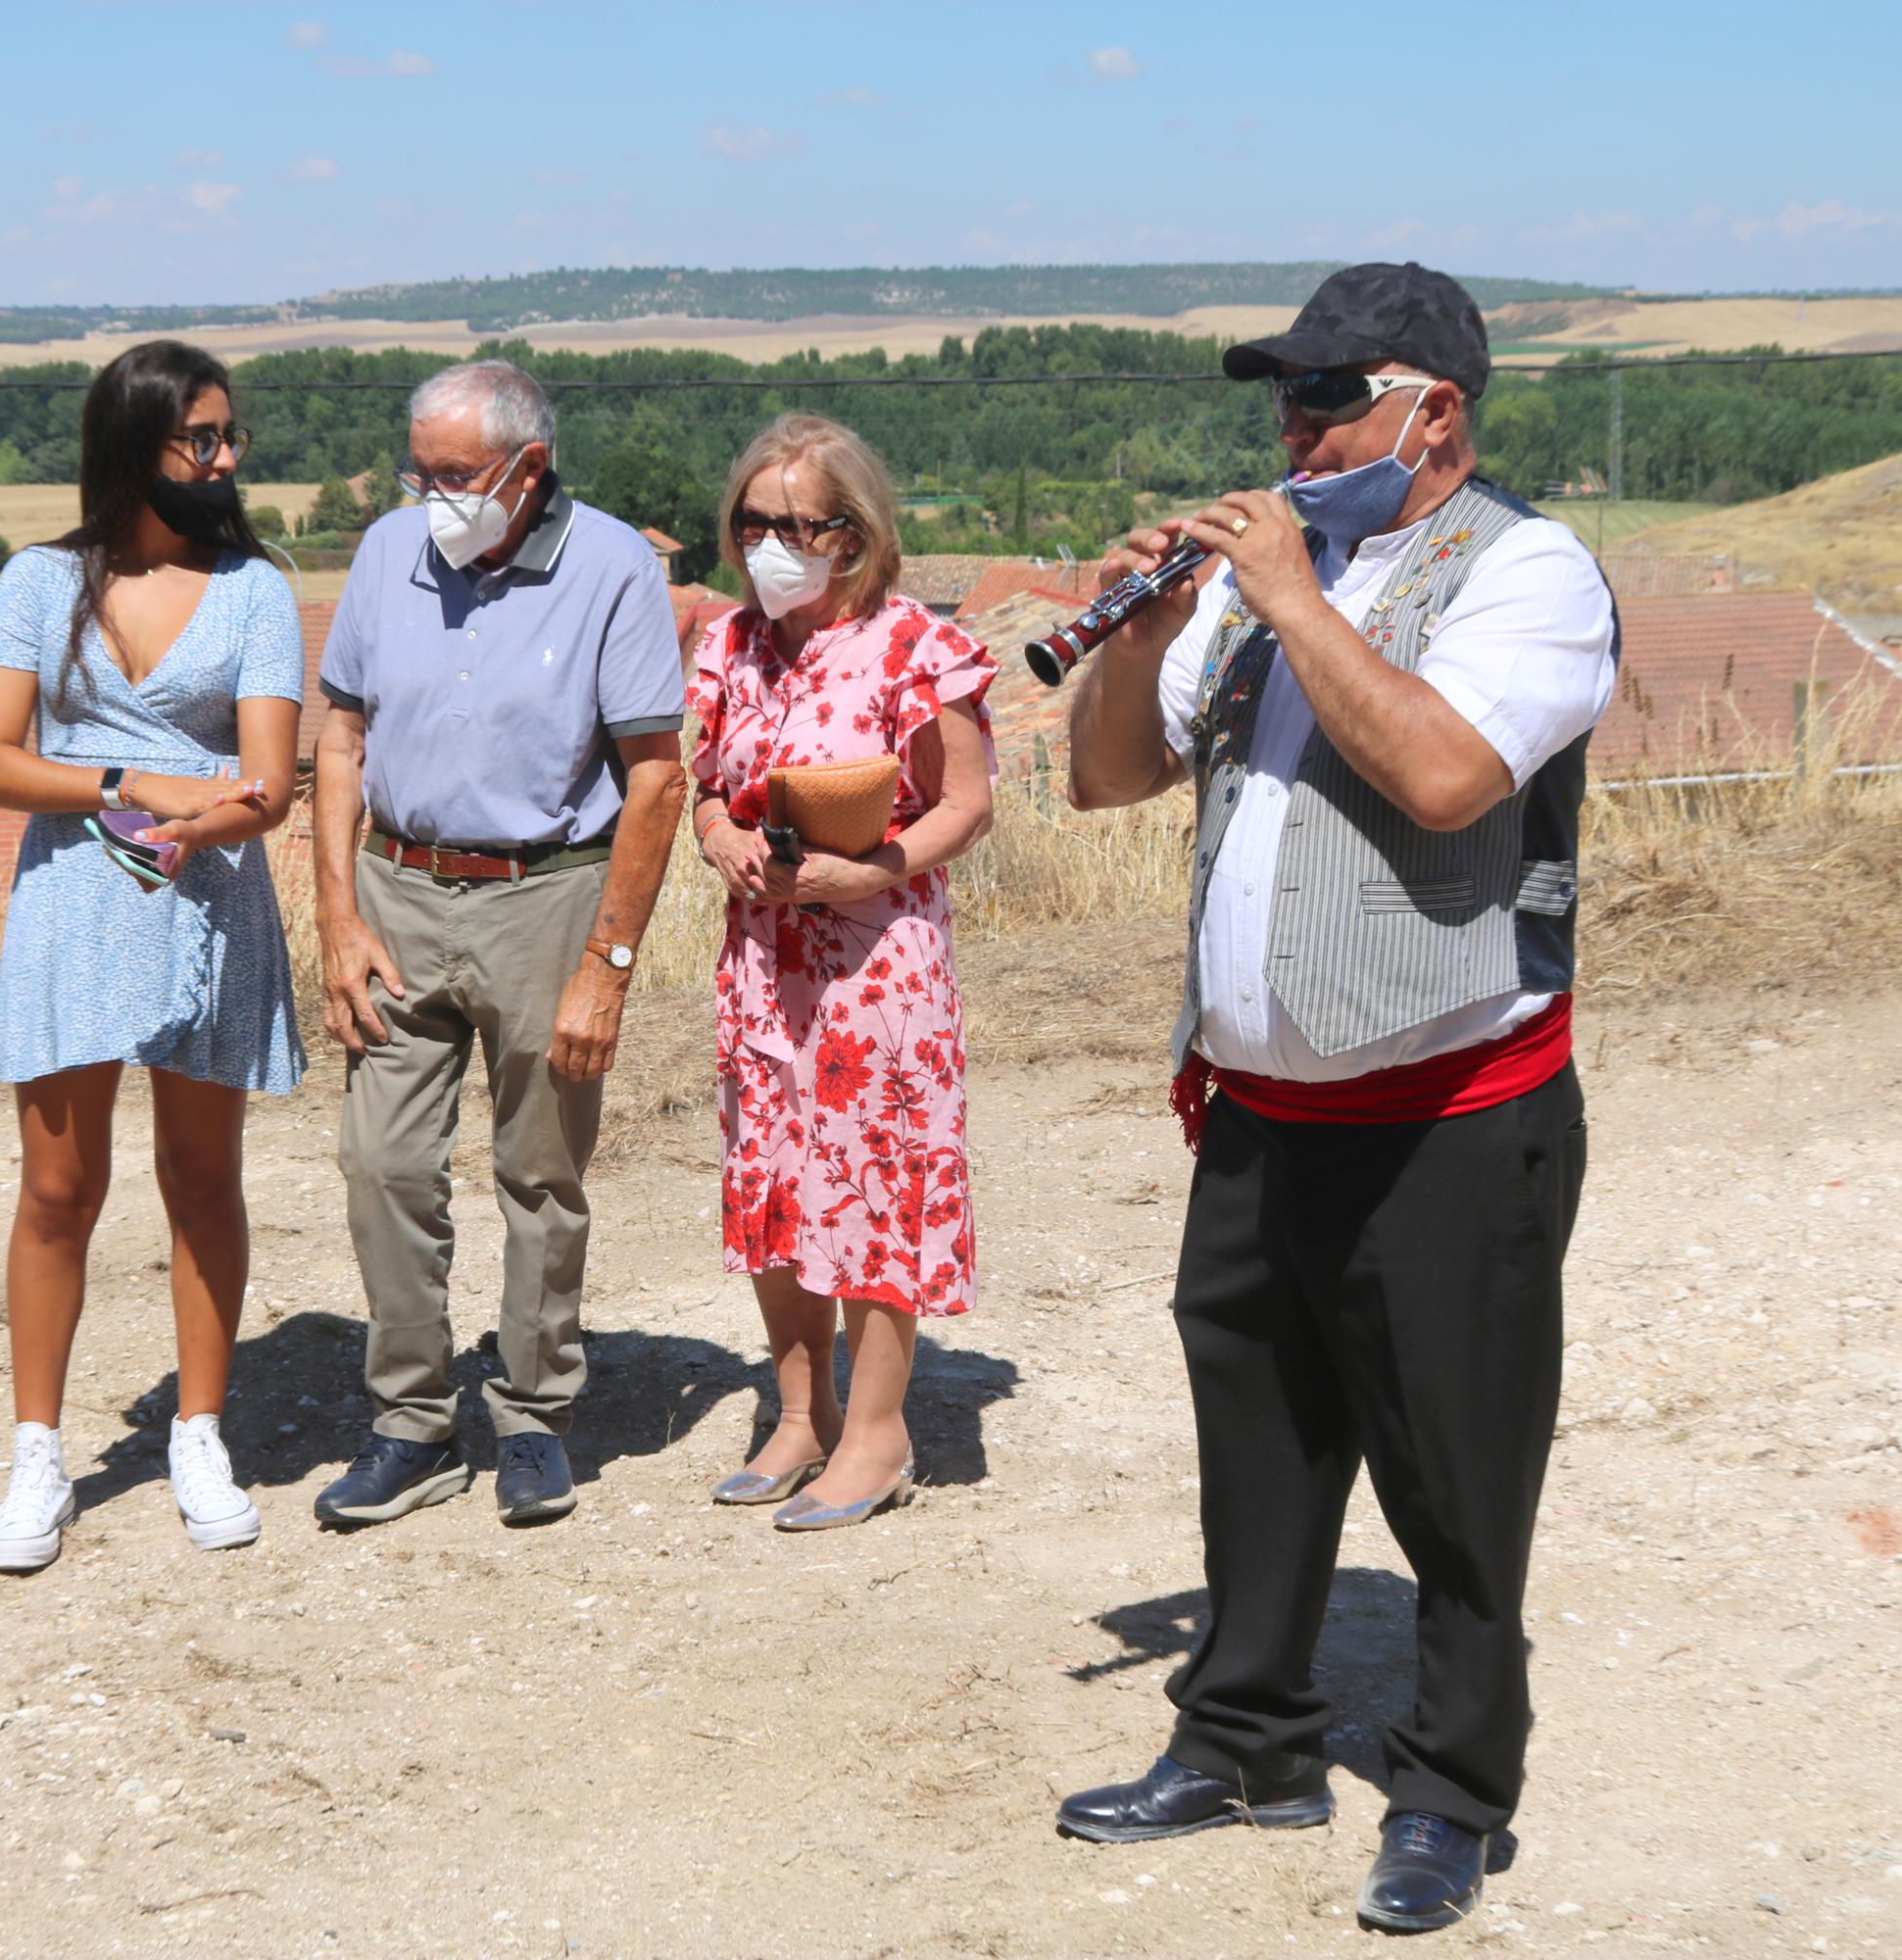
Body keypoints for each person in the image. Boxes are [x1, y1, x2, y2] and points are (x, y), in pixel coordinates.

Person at [1049, 264, 1614, 1934]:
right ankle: (1247, 1741)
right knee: (1261, 1442)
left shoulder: (1529, 571)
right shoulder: (1255, 581)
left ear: (1432, 411)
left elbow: (1446, 775)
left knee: (1455, 1466)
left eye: (1326, 397)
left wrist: (1299, 598)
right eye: (1278, 400)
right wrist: (1147, 621)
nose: (1289, 429)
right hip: (1262, 1104)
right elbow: (1106, 778)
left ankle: (1450, 1790)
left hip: (1451, 1114)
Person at [308, 359, 688, 1531]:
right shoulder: (385, 553)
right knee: (382, 1165)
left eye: (455, 475)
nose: (432, 496)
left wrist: (607, 965)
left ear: (528, 466)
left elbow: (657, 777)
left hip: (548, 899)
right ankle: (412, 1423)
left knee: (541, 1171)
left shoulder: (615, 564)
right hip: (400, 889)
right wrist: (335, 914)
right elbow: (340, 738)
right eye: (419, 472)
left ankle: (532, 1412)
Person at [0, 340, 305, 1568]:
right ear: (133, 445)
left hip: (204, 897)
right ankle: (37, 1453)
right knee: (58, 1190)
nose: (222, 458)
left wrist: (196, 821)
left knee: (202, 1182)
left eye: (229, 438)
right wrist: (129, 779)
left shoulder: (256, 589)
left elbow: (272, 781)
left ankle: (199, 1430)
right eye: (198, 438)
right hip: (71, 904)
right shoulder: (38, 581)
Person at [686, 415, 996, 1530]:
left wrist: (870, 869)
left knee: (876, 1182)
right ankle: (799, 1411)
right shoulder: (728, 644)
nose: (768, 542)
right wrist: (717, 830)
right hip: (762, 961)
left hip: (876, 960)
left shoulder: (918, 643)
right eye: (752, 521)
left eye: (795, 524)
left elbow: (965, 801)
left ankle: (878, 1431)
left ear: (852, 535)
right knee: (774, 1178)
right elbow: (710, 784)